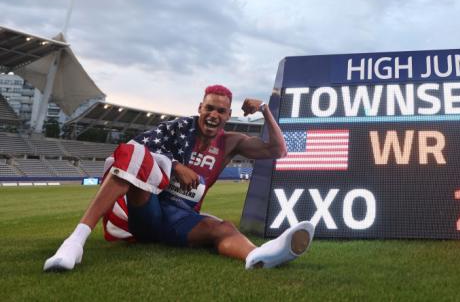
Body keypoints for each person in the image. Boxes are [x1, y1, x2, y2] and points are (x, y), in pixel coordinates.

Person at [44, 85, 314, 271]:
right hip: (147, 209)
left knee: (223, 228)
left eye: (221, 111)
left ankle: (258, 255)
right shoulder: (177, 130)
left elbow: (278, 150)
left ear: (228, 116)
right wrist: (174, 165)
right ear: (200, 108)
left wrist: (265, 109)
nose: (213, 115)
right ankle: (74, 243)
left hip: (180, 220)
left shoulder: (231, 142)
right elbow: (136, 148)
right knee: (134, 155)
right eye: (209, 108)